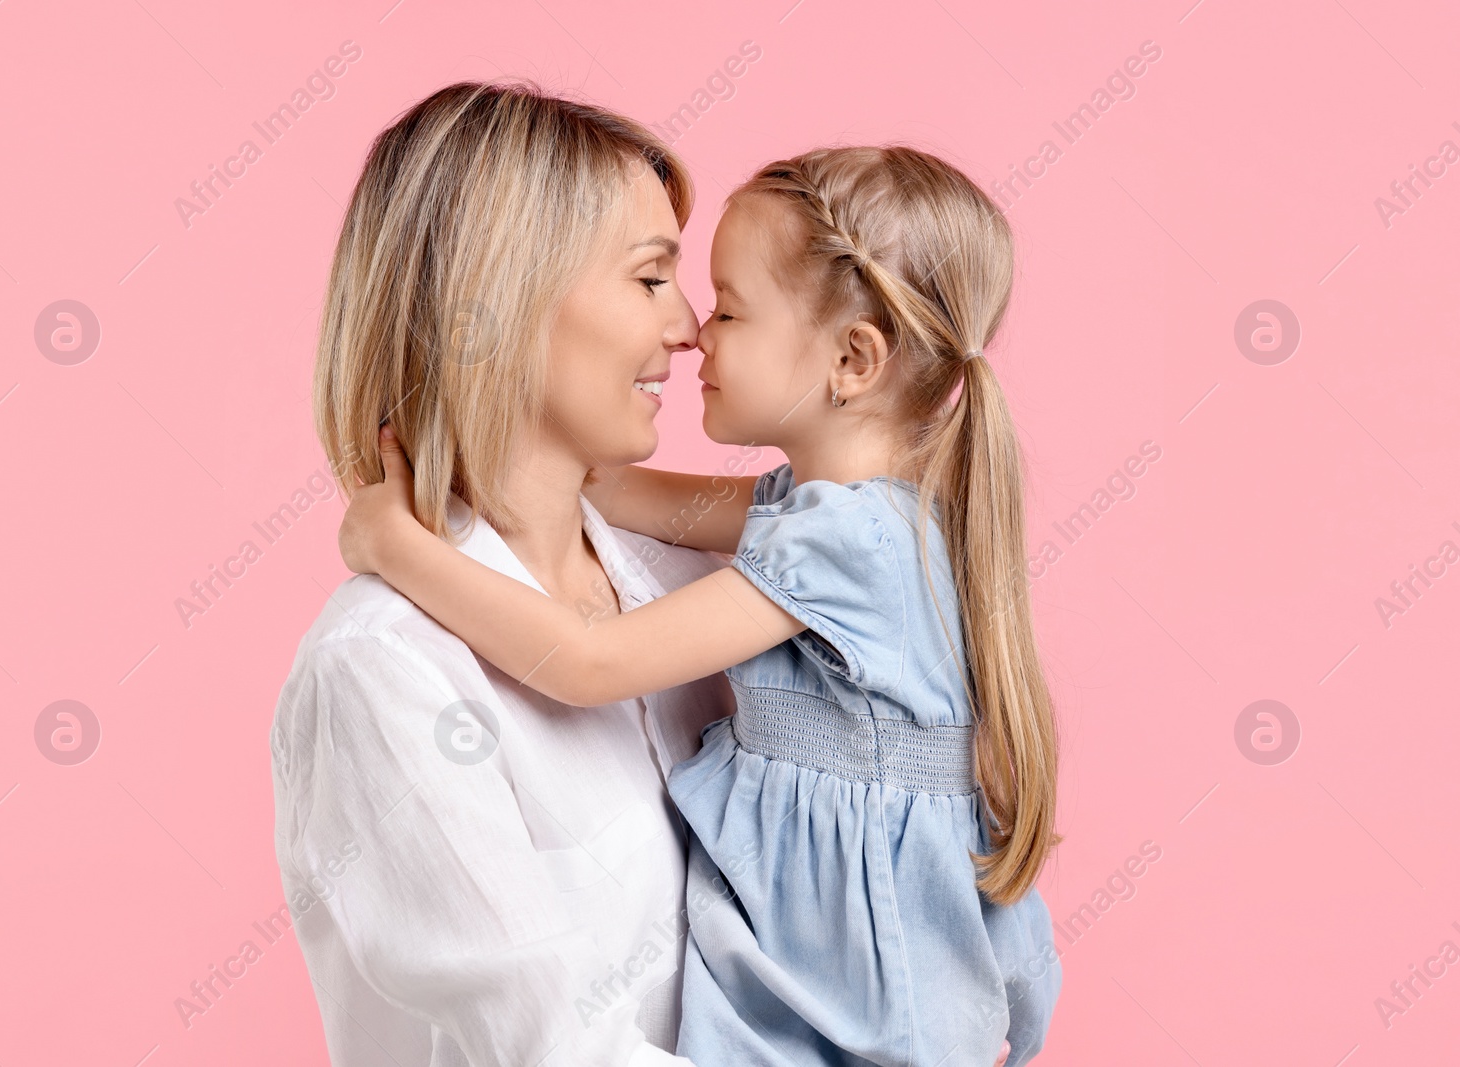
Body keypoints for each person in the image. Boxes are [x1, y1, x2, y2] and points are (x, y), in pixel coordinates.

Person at [339, 145, 1064, 1065]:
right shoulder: (837, 514)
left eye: (729, 308)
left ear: (852, 358)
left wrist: (397, 546)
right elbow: (619, 492)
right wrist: (513, 412)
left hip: (857, 992)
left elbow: (593, 664)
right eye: (662, 284)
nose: (696, 333)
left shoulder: (842, 543)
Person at [271, 81, 738, 1065]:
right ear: (504, 297)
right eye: (650, 279)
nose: (690, 327)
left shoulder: (697, 591)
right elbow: (556, 1050)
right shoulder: (382, 669)